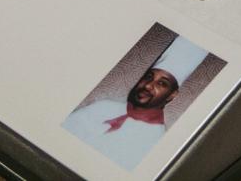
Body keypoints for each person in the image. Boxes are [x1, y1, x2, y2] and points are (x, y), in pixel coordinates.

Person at [62, 35, 207, 170]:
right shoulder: (103, 106)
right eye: (149, 77)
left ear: (171, 95)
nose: (148, 85)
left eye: (162, 83)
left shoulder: (154, 143)